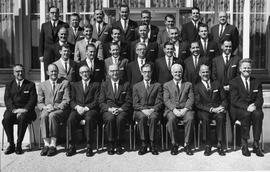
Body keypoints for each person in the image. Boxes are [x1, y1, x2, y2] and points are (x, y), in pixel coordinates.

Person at [230, 58, 264, 157]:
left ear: (251, 69)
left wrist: (255, 106)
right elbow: (234, 100)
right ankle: (244, 143)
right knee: (246, 114)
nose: (247, 70)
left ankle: (256, 144)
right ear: (240, 69)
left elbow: (260, 99)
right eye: (244, 68)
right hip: (239, 109)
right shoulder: (234, 82)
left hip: (253, 108)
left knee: (258, 114)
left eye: (249, 68)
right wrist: (247, 107)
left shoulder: (257, 82)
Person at [66, 65, 100, 157]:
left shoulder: (96, 84)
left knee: (89, 118)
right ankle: (72, 146)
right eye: (82, 72)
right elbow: (72, 100)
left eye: (86, 72)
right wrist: (77, 107)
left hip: (90, 109)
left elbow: (97, 101)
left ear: (90, 73)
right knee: (71, 119)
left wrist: (86, 108)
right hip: (78, 109)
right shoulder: (74, 85)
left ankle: (89, 146)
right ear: (80, 74)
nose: (85, 74)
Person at [2, 64, 37, 155]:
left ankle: (19, 144)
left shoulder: (30, 85)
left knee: (23, 118)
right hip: (13, 111)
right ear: (14, 73)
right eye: (17, 71)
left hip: (27, 112)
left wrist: (24, 110)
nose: (20, 73)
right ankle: (11, 144)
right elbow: (7, 100)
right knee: (6, 119)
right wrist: (14, 110)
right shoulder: (9, 85)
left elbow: (33, 100)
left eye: (21, 71)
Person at [37, 64, 70, 156]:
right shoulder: (42, 85)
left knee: (52, 115)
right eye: (51, 71)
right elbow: (39, 102)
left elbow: (66, 100)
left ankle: (53, 144)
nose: (54, 73)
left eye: (55, 71)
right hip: (47, 108)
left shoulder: (64, 83)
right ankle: (46, 144)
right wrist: (45, 107)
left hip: (60, 110)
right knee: (43, 115)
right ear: (47, 72)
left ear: (58, 72)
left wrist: (55, 107)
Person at [99, 64, 132, 155]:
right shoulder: (104, 84)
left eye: (116, 70)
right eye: (112, 71)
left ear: (119, 71)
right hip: (109, 110)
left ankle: (119, 142)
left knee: (120, 119)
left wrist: (121, 109)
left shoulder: (126, 84)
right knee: (110, 118)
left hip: (121, 109)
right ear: (109, 72)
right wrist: (109, 109)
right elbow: (101, 102)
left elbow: (129, 101)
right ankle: (110, 143)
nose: (114, 73)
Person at [194, 64, 227, 156]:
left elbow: (224, 99)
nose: (205, 74)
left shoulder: (217, 83)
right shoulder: (196, 86)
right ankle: (208, 145)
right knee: (205, 118)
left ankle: (219, 143)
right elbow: (198, 104)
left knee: (221, 117)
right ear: (200, 74)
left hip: (218, 109)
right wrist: (212, 109)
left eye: (207, 72)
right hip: (204, 110)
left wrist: (221, 107)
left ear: (210, 72)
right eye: (203, 72)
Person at [163, 64, 195, 155]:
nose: (178, 73)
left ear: (182, 72)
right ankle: (174, 144)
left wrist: (185, 109)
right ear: (172, 73)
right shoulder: (166, 85)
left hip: (186, 109)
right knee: (171, 119)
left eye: (179, 72)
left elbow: (191, 98)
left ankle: (187, 144)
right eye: (175, 72)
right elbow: (166, 100)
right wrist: (174, 109)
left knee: (190, 118)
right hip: (172, 110)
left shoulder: (188, 84)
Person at [133, 63, 163, 155]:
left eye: (149, 72)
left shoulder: (157, 85)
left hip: (153, 110)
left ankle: (153, 144)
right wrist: (143, 110)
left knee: (153, 118)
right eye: (145, 72)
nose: (147, 74)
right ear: (141, 73)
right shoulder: (136, 86)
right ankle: (143, 144)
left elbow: (160, 102)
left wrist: (152, 110)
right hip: (140, 110)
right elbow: (135, 103)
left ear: (152, 72)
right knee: (142, 118)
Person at [39, 6, 69, 77]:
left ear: (59, 14)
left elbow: (67, 38)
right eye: (52, 13)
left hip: (60, 52)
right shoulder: (44, 25)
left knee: (60, 73)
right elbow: (41, 40)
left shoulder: (64, 25)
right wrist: (40, 54)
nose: (54, 14)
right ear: (49, 14)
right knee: (48, 73)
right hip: (48, 54)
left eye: (56, 13)